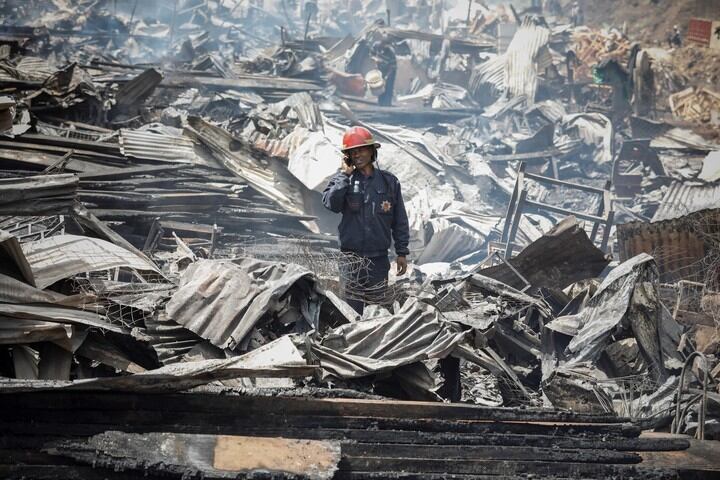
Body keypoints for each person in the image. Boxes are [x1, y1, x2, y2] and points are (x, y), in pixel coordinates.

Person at [322, 126, 410, 315]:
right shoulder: (343, 180)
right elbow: (331, 204)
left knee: (378, 314)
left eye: (361, 149)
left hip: (378, 261)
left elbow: (399, 219)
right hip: (350, 260)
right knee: (350, 314)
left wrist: (401, 252)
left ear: (372, 151)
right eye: (352, 152)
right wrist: (344, 176)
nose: (357, 155)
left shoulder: (389, 182)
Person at [370, 40, 397, 107]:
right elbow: (371, 54)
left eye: (383, 47)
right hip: (380, 69)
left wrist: (387, 76)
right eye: (381, 46)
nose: (381, 48)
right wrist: (375, 60)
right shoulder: (376, 45)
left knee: (388, 87)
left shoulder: (390, 52)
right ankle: (380, 103)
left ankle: (387, 104)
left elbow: (392, 67)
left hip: (390, 71)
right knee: (380, 86)